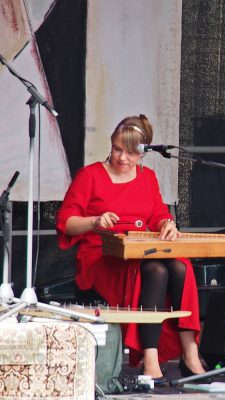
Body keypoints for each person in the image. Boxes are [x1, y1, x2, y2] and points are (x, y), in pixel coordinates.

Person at [56, 115, 206, 384]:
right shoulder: (90, 175)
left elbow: (158, 214)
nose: (122, 158)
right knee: (156, 270)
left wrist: (167, 224)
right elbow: (66, 222)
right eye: (117, 149)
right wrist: (94, 220)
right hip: (102, 257)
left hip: (138, 251)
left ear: (144, 153)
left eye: (131, 153)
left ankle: (190, 352)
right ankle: (150, 360)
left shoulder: (147, 177)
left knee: (181, 265)